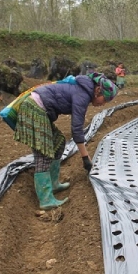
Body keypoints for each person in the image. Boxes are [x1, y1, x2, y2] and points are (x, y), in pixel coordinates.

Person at [14, 72, 118, 210]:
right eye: (104, 100)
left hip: (40, 109)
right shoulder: (82, 95)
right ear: (98, 91)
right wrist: (86, 158)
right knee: (43, 152)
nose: (103, 104)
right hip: (34, 108)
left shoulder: (84, 91)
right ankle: (46, 200)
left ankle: (54, 184)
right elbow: (77, 129)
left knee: (58, 142)